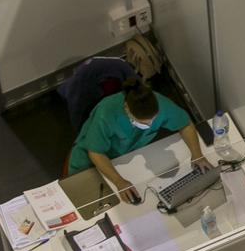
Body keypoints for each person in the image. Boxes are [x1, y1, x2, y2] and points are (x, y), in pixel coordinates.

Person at [67, 79, 210, 203]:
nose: (148, 125)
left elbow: (185, 124)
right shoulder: (106, 114)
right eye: (142, 122)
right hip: (90, 162)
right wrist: (119, 182)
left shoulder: (160, 103)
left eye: (152, 120)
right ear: (127, 109)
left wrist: (197, 154)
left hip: (126, 157)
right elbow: (96, 152)